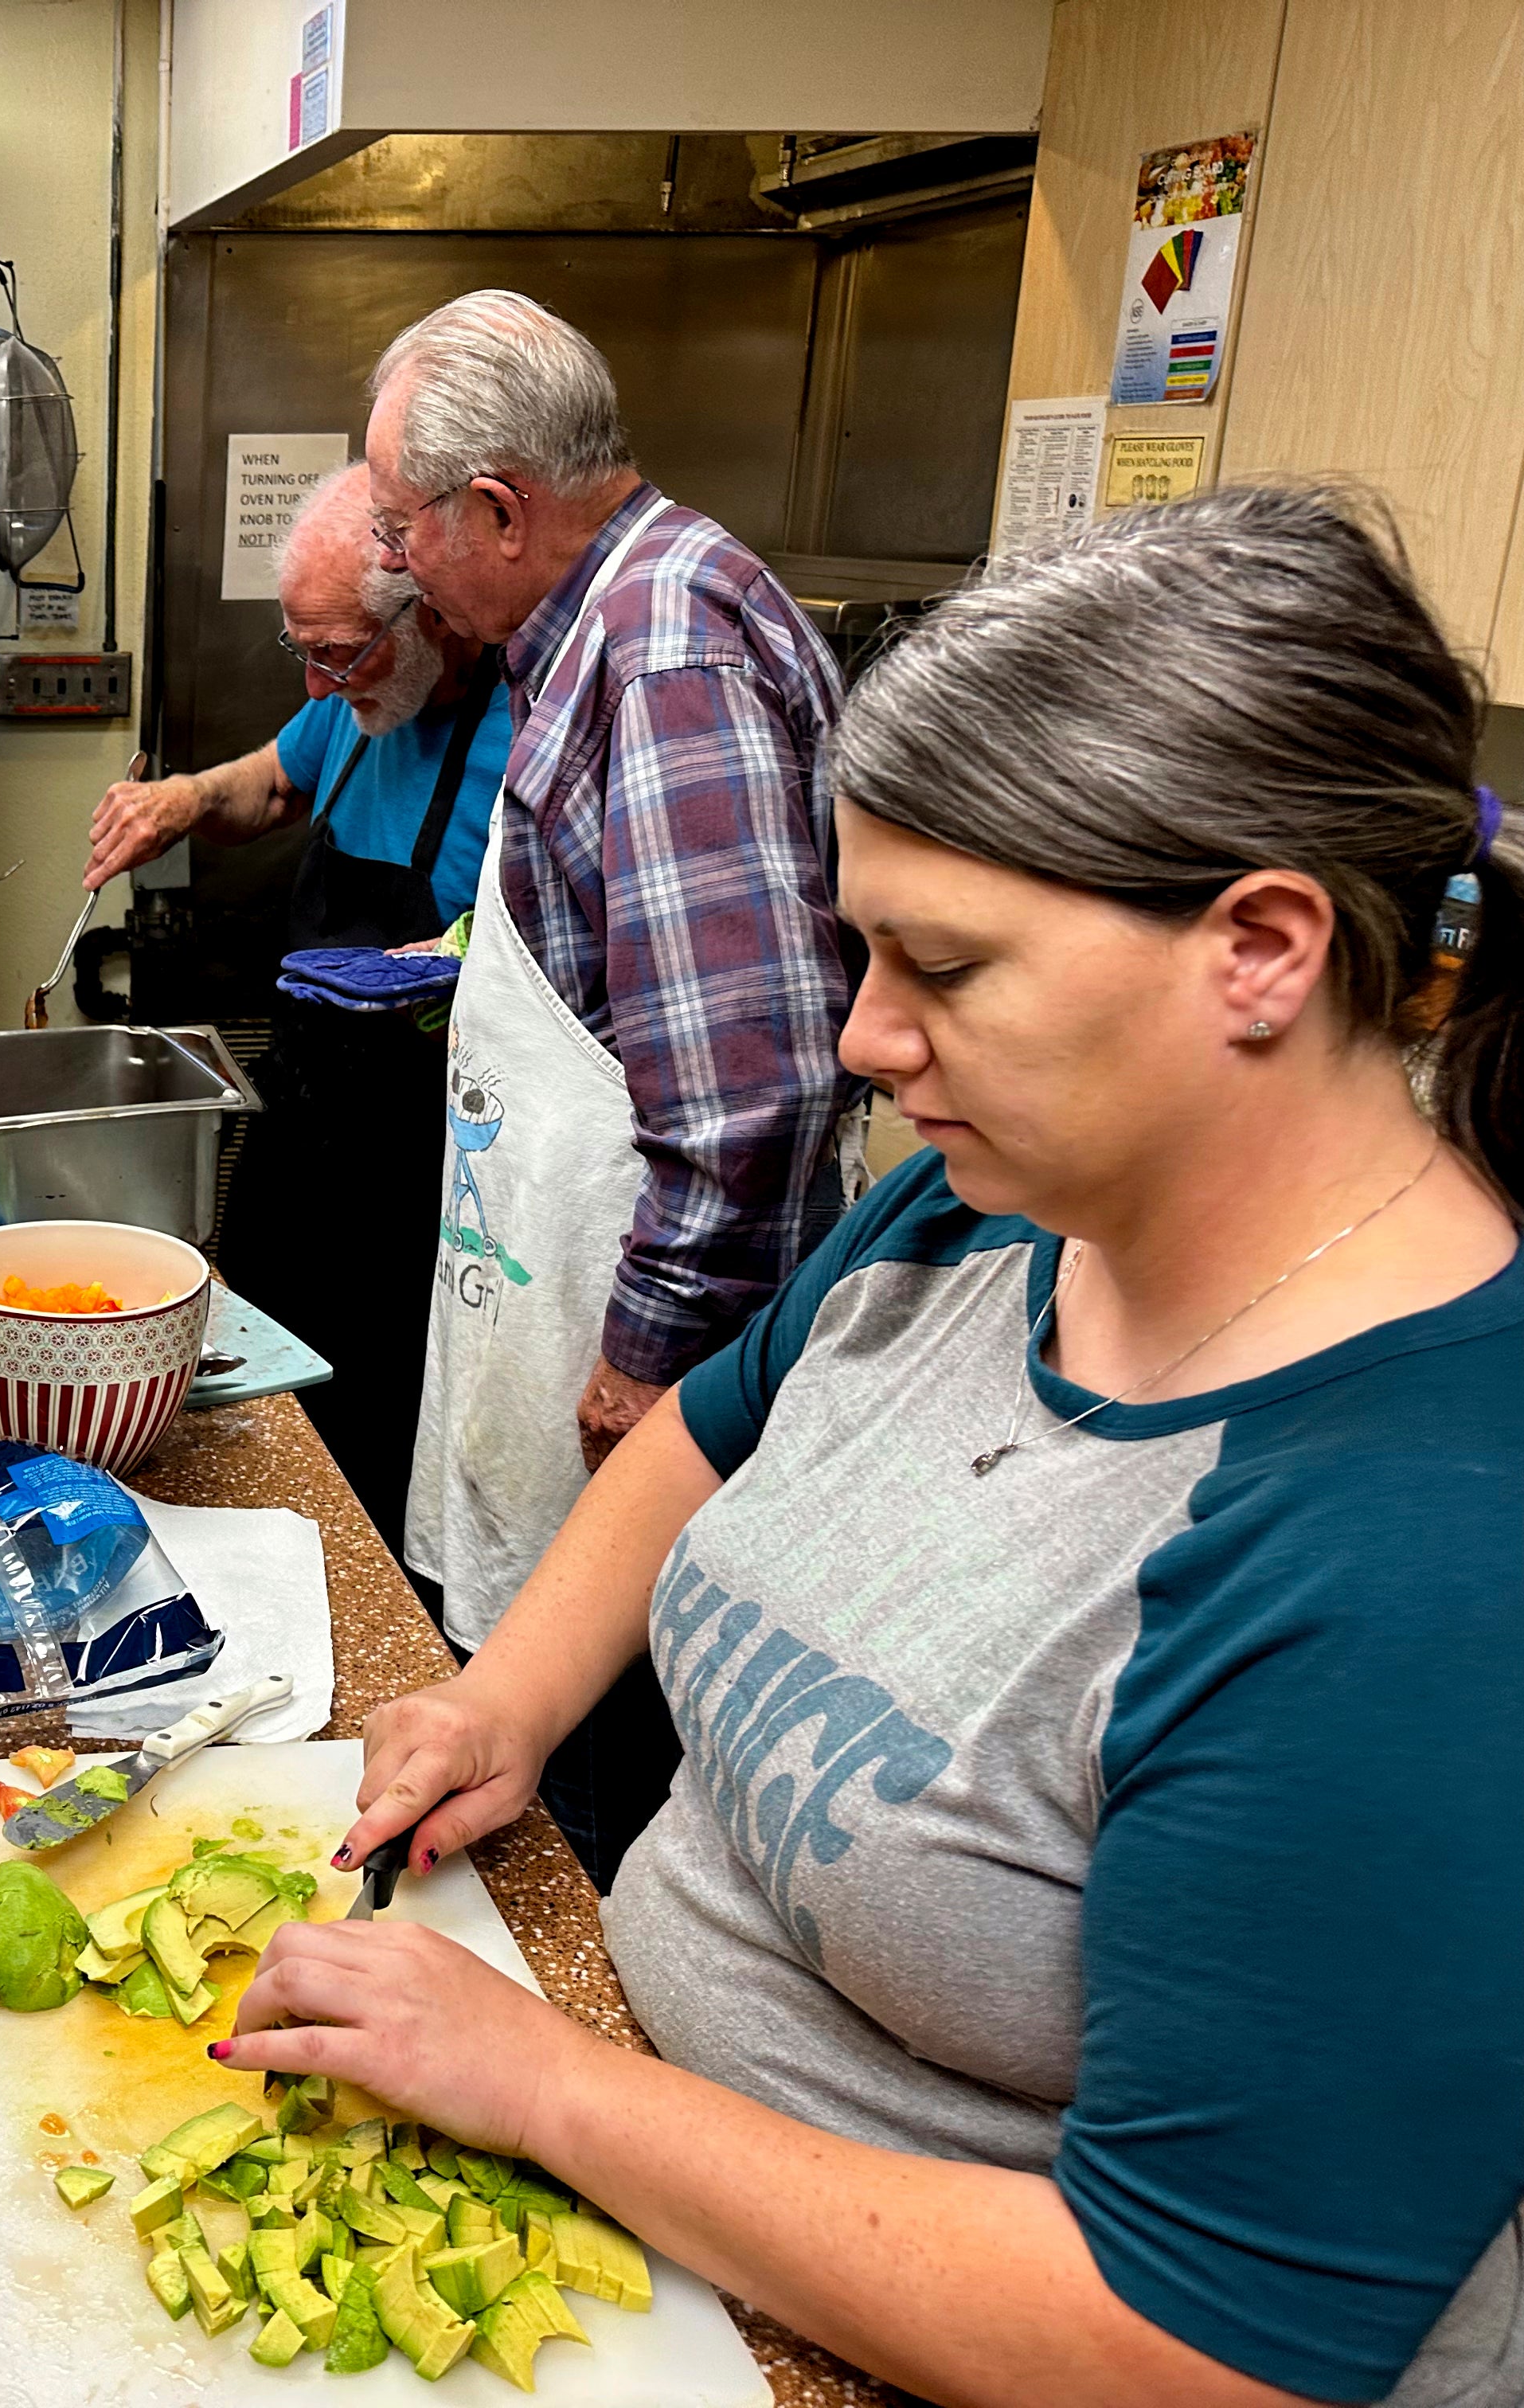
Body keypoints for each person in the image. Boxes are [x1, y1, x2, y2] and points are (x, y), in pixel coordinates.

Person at [223, 486, 1524, 2406]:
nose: (860, 1042)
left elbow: (1194, 2347)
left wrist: (543, 2085)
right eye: (863, 953)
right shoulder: (991, 1215)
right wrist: (508, 1698)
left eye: (949, 969)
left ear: (1259, 947)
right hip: (665, 2244)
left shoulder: (1421, 1560)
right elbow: (702, 1437)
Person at [366, 289, 857, 1886]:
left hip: (650, 1375)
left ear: (497, 511)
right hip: (570, 1316)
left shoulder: (666, 648)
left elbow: (751, 1083)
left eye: (403, 526)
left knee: (595, 1821)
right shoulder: (596, 630)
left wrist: (647, 1363)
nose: (394, 565)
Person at [82, 463, 507, 1555]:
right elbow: (269, 784)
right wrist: (179, 801)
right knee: (258, 1409)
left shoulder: (529, 733)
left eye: (339, 653)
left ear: (436, 618)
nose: (319, 685)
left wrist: (461, 961)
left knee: (372, 1435)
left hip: (430, 1173)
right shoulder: (364, 705)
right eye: (303, 651)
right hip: (305, 1130)